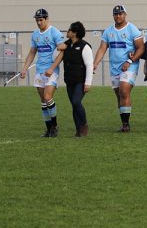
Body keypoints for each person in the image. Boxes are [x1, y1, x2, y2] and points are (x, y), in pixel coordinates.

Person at [93, 5, 145, 132]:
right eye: (116, 14)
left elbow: (141, 48)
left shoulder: (132, 29)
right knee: (119, 95)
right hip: (115, 68)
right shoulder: (108, 31)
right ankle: (124, 122)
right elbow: (102, 49)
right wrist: (95, 63)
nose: (118, 16)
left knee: (124, 90)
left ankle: (126, 125)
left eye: (120, 14)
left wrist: (130, 60)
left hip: (129, 66)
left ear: (125, 14)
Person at [20, 8, 64, 137]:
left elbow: (62, 51)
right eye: (37, 20)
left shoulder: (54, 32)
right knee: (43, 101)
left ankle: (55, 126)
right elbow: (32, 52)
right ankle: (49, 129)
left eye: (41, 20)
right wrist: (24, 68)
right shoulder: (35, 34)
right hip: (39, 71)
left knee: (47, 97)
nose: (39, 22)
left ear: (46, 19)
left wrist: (52, 68)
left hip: (52, 71)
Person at [45, 21, 93, 137]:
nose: (67, 32)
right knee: (73, 104)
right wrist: (58, 50)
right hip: (69, 80)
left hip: (80, 81)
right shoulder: (66, 45)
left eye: (69, 30)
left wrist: (88, 83)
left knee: (77, 102)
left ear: (75, 33)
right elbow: (57, 55)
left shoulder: (84, 46)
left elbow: (89, 65)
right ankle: (78, 130)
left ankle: (84, 124)